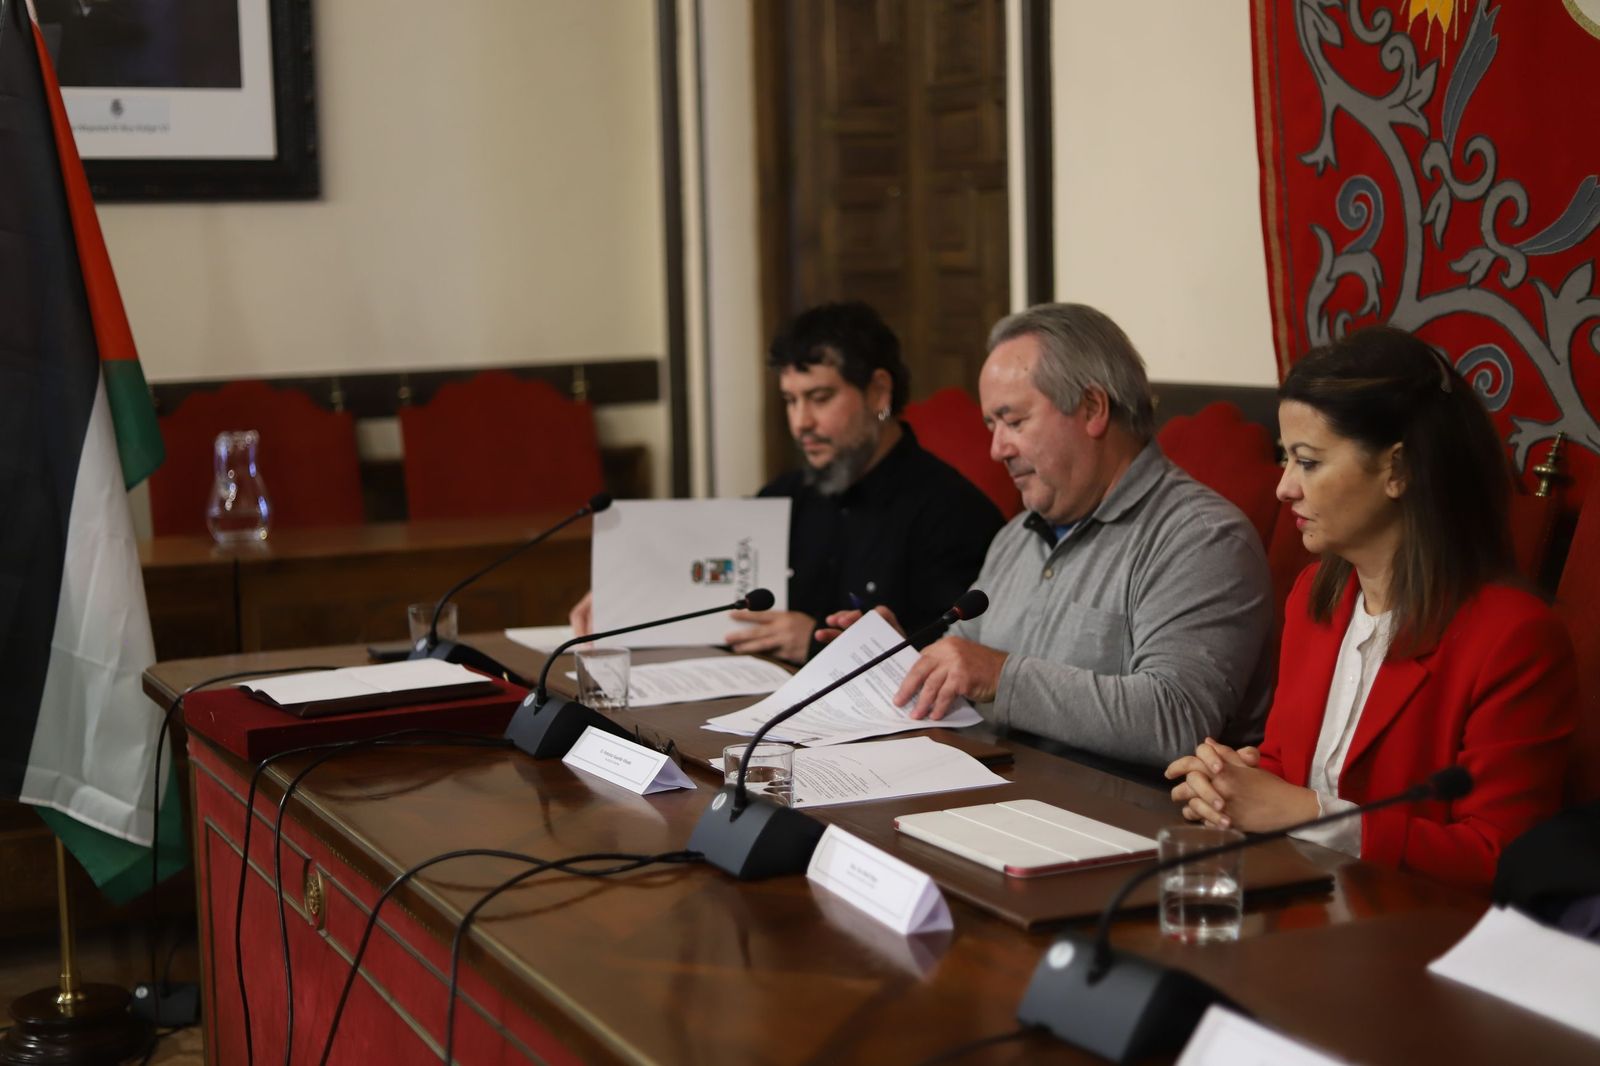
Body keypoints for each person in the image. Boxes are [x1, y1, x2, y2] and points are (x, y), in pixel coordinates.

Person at [1165, 326, 1576, 891]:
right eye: (1286, 459)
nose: (1284, 487)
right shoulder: (1316, 595)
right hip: (1301, 904)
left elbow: (1497, 855)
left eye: (1307, 462)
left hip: (1414, 943)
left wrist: (1308, 814)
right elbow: (1294, 771)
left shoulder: (1515, 637)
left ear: (1398, 470)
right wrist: (1230, 784)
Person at [826, 303, 1275, 769]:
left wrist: (1001, 675)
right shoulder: (1016, 537)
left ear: (1092, 408)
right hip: (991, 798)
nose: (997, 449)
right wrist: (902, 658)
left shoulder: (1201, 539)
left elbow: (1178, 720)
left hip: (1122, 826)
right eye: (991, 425)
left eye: (1014, 421)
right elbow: (966, 669)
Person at [570, 302, 1004, 663]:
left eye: (820, 398)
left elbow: (960, 659)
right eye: (790, 401)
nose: (801, 423)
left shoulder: (953, 513)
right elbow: (700, 577)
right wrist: (624, 595)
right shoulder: (783, 498)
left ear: (878, 392)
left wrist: (814, 640)